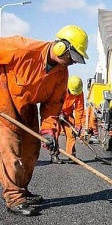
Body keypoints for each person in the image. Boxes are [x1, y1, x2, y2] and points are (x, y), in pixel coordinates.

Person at [0, 25, 89, 216]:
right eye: (72, 57)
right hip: (4, 100)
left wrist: (48, 131)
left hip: (27, 106)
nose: (73, 63)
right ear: (61, 47)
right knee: (11, 150)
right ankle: (14, 198)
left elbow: (52, 106)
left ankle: (22, 189)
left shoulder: (61, 74)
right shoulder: (21, 49)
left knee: (32, 151)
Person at [56, 76, 85, 164]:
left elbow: (79, 109)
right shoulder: (60, 88)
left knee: (72, 133)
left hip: (68, 114)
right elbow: (54, 102)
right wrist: (59, 112)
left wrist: (77, 125)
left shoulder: (79, 92)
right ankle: (54, 155)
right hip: (56, 113)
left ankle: (71, 155)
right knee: (55, 133)